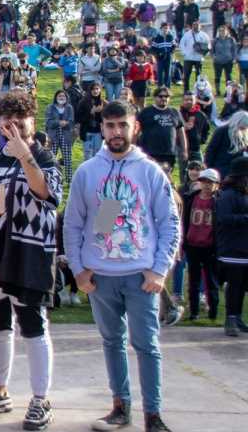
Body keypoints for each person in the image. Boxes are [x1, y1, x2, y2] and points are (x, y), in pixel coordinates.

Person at [63, 100, 179, 432]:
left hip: (140, 275)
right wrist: (79, 269)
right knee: (112, 342)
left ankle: (153, 415)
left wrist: (159, 269)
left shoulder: (149, 171)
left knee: (147, 345)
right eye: (110, 126)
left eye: (122, 125)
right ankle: (120, 407)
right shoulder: (88, 171)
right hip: (99, 276)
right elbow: (72, 224)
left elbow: (169, 222)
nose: (116, 132)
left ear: (135, 127)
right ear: (101, 128)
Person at [0, 90, 61, 432]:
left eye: (20, 121)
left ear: (31, 122)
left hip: (27, 251)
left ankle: (41, 397)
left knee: (33, 324)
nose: (13, 127)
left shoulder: (43, 156)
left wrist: (26, 156)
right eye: (7, 121)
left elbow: (46, 193)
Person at [182, 168, 220, 321]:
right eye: (204, 182)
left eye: (210, 183)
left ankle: (213, 312)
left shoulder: (218, 201)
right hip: (193, 245)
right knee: (194, 281)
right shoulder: (191, 199)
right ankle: (194, 312)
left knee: (211, 281)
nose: (207, 186)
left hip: (210, 246)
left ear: (216, 185)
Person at [217, 156, 248, 337]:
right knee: (234, 284)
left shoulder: (244, 194)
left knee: (243, 285)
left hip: (244, 248)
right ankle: (230, 318)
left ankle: (237, 316)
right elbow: (224, 219)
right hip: (232, 248)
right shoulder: (227, 194)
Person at [136, 87, 187, 175]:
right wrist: (135, 148)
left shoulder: (175, 112)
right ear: (155, 97)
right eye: (161, 96)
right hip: (150, 152)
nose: (164, 98)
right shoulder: (146, 112)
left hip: (169, 153)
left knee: (165, 178)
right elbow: (136, 131)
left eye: (166, 96)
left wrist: (184, 150)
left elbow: (181, 133)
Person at [45, 90, 76, 183]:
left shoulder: (69, 108)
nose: (61, 97)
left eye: (63, 96)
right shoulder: (50, 107)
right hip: (53, 135)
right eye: (59, 96)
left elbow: (71, 122)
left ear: (66, 98)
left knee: (67, 158)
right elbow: (48, 122)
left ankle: (69, 180)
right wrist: (58, 123)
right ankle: (52, 178)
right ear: (56, 97)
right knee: (52, 158)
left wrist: (66, 123)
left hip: (66, 135)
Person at [179, 21, 210, 92]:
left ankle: (198, 90)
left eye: (197, 25)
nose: (196, 27)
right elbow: (182, 44)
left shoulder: (204, 35)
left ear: (200, 26)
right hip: (188, 58)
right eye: (194, 25)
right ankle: (186, 90)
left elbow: (208, 46)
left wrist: (204, 54)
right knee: (186, 75)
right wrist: (185, 53)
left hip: (199, 58)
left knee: (198, 76)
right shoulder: (187, 34)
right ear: (192, 26)